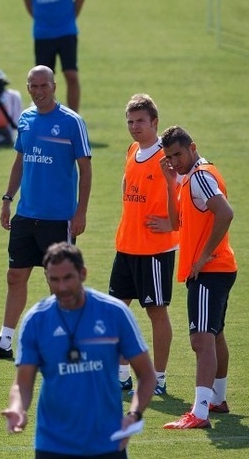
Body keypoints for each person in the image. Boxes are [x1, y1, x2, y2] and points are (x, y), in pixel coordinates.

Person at [0, 65, 91, 360]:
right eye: (33, 86)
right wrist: (7, 199)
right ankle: (4, 342)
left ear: (54, 86)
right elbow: (20, 161)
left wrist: (81, 212)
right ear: (27, 88)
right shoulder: (25, 119)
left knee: (58, 280)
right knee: (15, 276)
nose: (38, 91)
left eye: (43, 85)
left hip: (58, 219)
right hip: (26, 215)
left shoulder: (72, 122)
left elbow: (85, 170)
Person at [2, 242, 156, 458]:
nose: (62, 287)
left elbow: (147, 375)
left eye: (68, 278)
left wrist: (134, 415)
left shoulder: (114, 313)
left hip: (108, 442)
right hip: (53, 444)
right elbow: (22, 383)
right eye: (54, 280)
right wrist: (17, 408)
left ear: (83, 273)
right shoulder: (36, 320)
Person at [159, 126, 237, 429]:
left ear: (192, 147)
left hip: (209, 271)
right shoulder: (192, 177)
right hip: (219, 268)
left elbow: (225, 213)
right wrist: (170, 183)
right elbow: (175, 222)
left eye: (178, 154)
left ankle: (200, 412)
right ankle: (217, 398)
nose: (174, 161)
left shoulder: (200, 177)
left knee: (200, 339)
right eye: (169, 157)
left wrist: (203, 257)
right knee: (214, 335)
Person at [108, 94, 177, 396]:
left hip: (154, 250)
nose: (134, 127)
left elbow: (188, 192)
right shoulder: (132, 149)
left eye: (140, 121)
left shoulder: (167, 157)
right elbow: (127, 184)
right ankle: (122, 375)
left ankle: (158, 378)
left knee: (156, 313)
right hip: (126, 245)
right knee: (117, 311)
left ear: (155, 122)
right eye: (130, 122)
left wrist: (173, 224)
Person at [20, 0, 84, 112]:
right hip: (43, 34)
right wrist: (42, 20)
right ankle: (48, 116)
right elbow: (28, 3)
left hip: (66, 32)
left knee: (71, 75)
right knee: (43, 80)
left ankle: (74, 116)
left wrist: (69, 18)